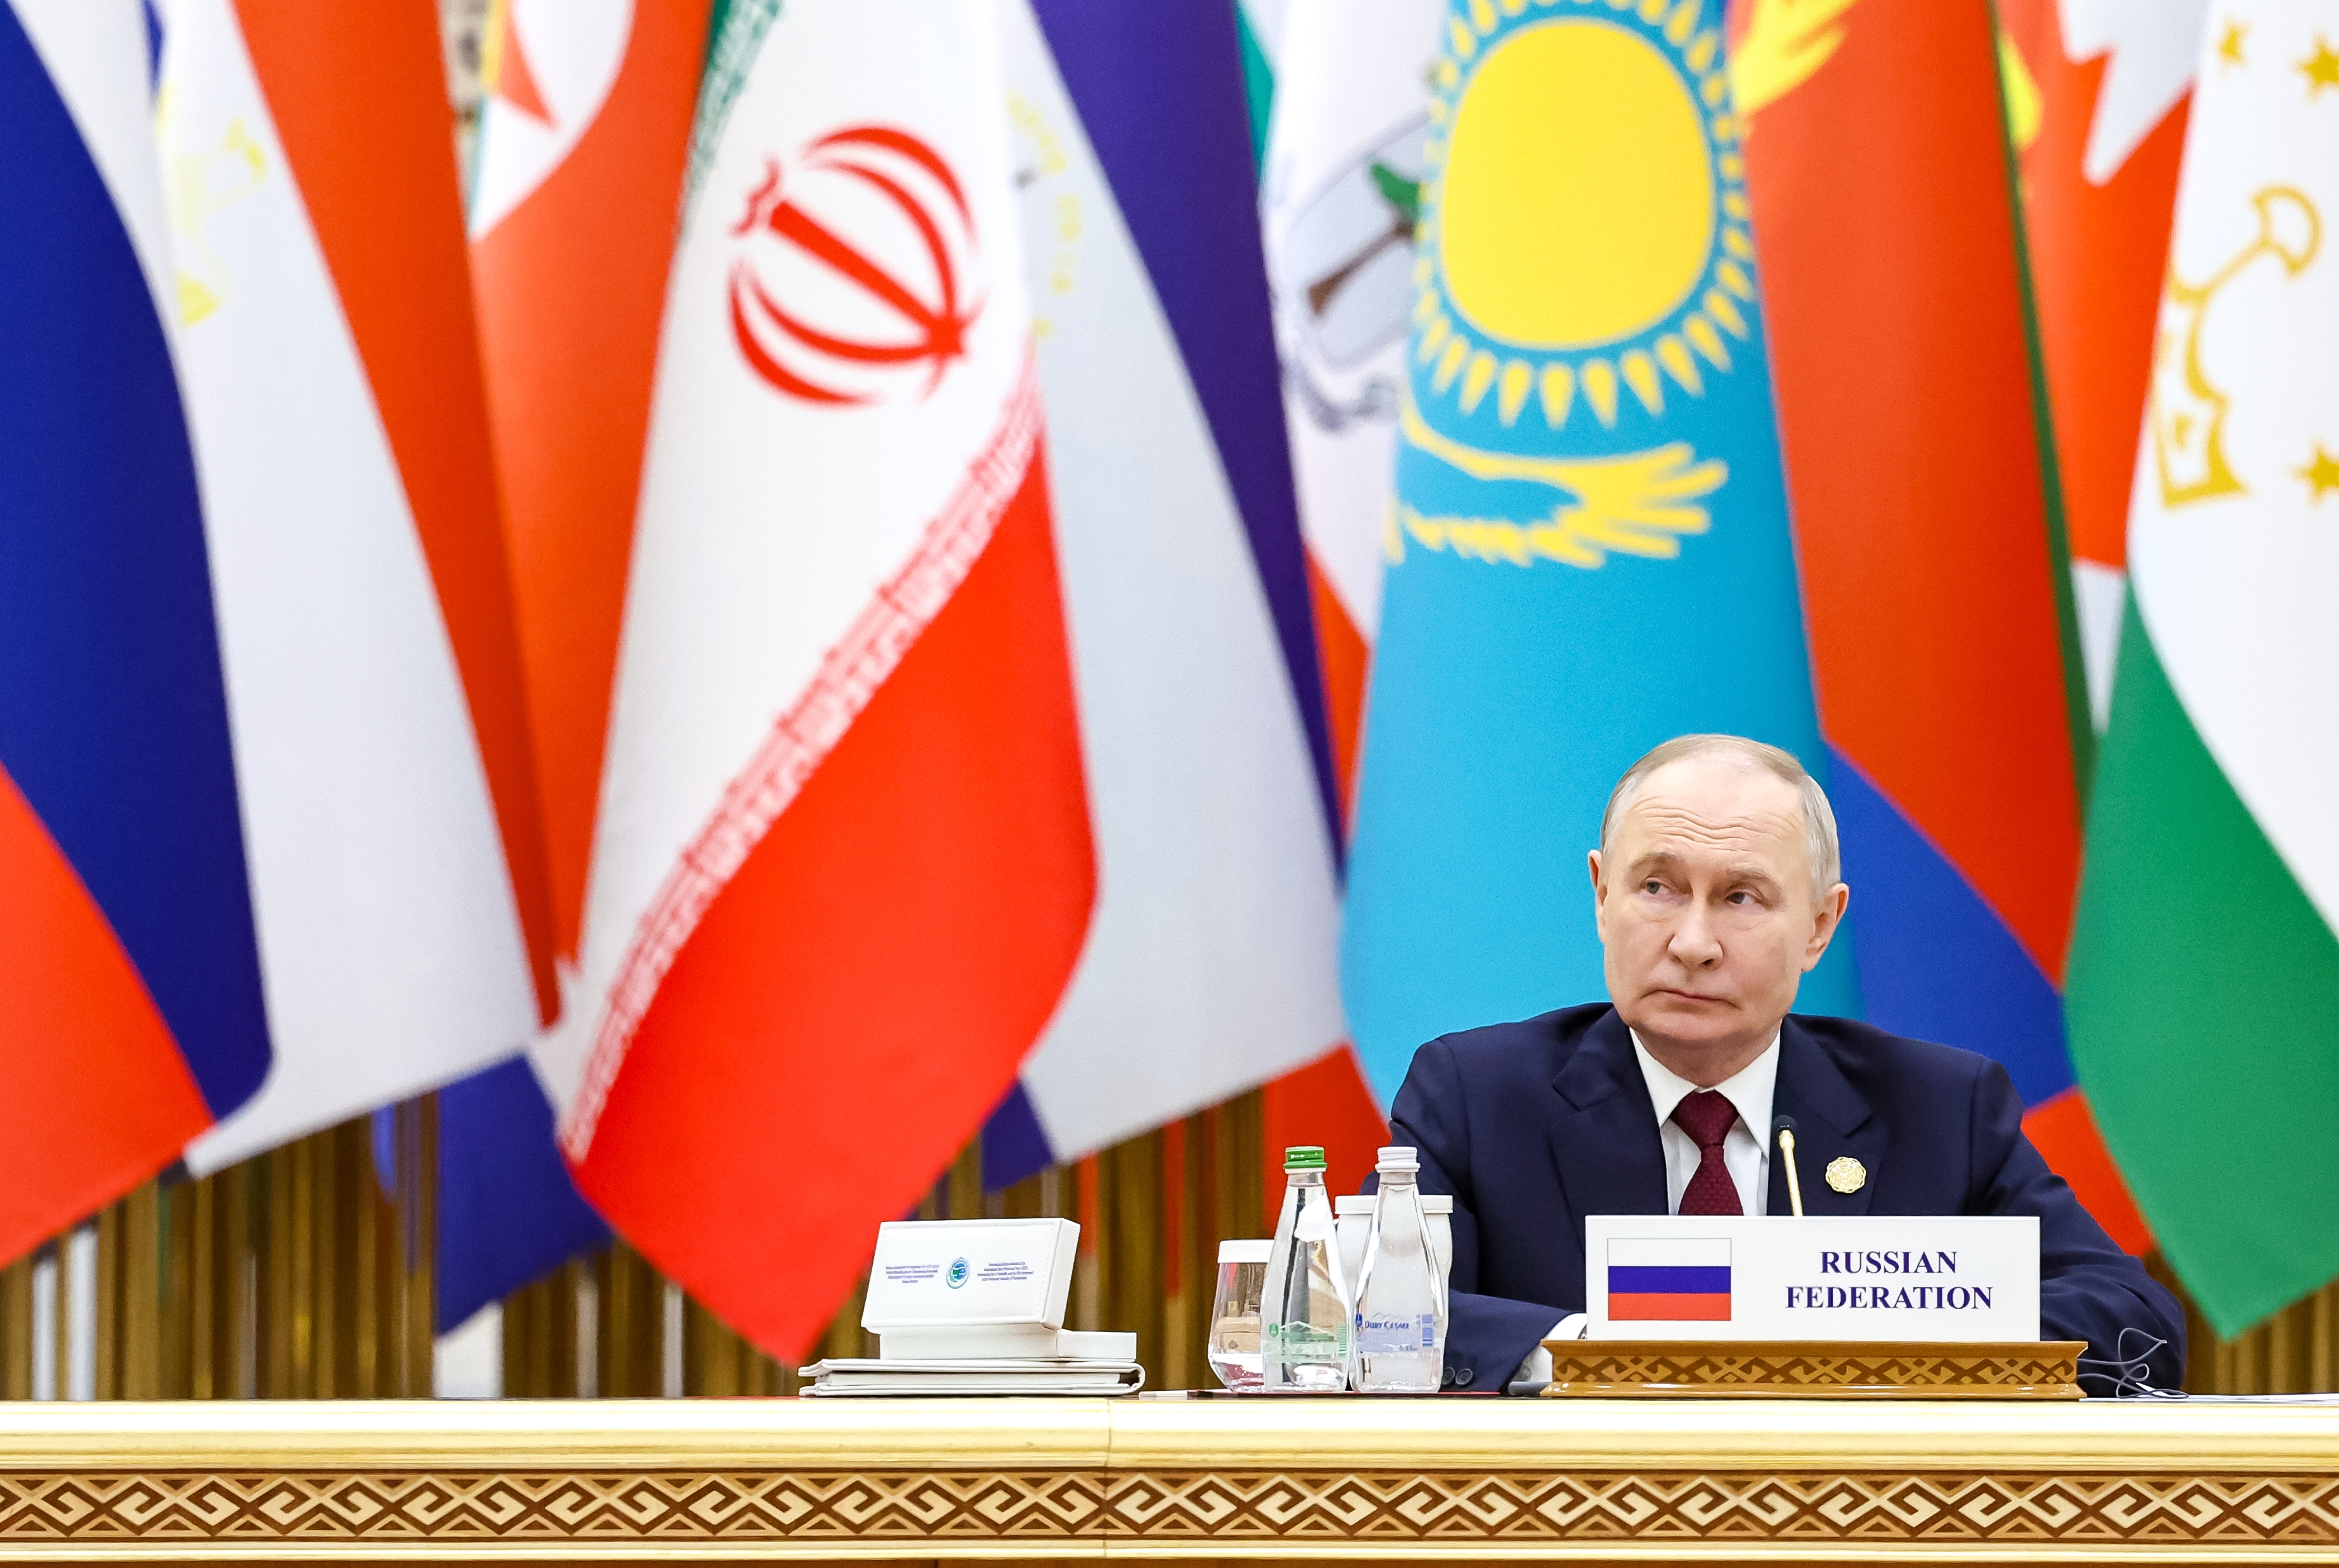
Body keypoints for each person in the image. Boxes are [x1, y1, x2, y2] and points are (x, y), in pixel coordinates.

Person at [1386, 734, 2185, 1394]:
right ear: (1601, 895)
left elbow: (2134, 1323)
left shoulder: (1940, 1108)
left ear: (1817, 925)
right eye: (1657, 887)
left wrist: (1875, 1339)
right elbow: (1384, 1318)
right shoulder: (1476, 1095)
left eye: (1740, 898)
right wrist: (1599, 1355)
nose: (1691, 942)